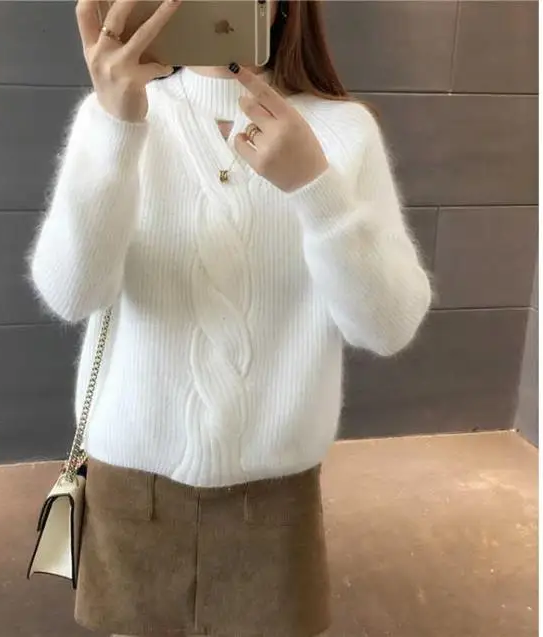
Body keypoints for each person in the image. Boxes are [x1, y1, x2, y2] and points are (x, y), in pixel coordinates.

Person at [29, 0, 432, 635]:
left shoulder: (342, 132)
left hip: (273, 500)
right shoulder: (116, 113)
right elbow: (71, 296)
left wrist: (317, 190)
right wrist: (114, 129)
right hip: (131, 488)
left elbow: (388, 326)